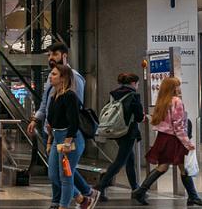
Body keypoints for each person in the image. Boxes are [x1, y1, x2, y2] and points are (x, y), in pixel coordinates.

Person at [27, 42, 99, 209]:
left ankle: (62, 203)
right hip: (53, 132)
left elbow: (75, 112)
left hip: (69, 135)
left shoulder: (74, 80)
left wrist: (67, 140)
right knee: (56, 174)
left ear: (64, 56)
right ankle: (82, 197)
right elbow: (45, 105)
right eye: (49, 55)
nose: (51, 58)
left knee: (65, 175)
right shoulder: (53, 87)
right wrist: (40, 125)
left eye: (54, 55)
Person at [131, 77, 202, 206]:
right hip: (174, 139)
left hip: (164, 138)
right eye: (177, 86)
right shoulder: (176, 101)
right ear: (171, 88)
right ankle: (193, 197)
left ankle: (141, 191)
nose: (179, 89)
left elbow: (159, 121)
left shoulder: (163, 101)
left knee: (167, 166)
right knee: (181, 167)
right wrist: (187, 143)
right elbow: (178, 126)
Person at [46, 64, 95, 209]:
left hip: (71, 139)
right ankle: (82, 200)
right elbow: (51, 123)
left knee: (66, 177)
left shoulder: (70, 96)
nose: (50, 76)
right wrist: (50, 142)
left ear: (63, 78)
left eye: (54, 74)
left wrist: (67, 143)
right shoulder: (53, 95)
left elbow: (73, 123)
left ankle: (64, 206)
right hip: (57, 138)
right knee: (54, 176)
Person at [95, 73, 145, 202]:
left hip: (116, 130)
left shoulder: (114, 94)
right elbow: (138, 117)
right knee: (120, 161)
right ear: (134, 83)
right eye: (138, 84)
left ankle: (135, 188)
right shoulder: (133, 95)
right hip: (128, 132)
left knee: (129, 159)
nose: (137, 86)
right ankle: (100, 186)